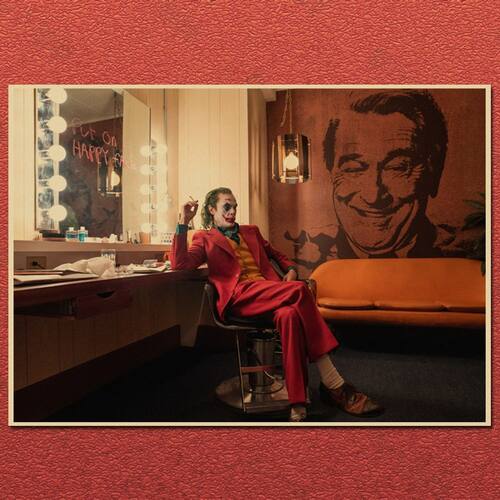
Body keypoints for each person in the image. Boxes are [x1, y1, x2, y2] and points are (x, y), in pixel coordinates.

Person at [171, 187, 382, 422]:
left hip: (267, 293)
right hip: (239, 298)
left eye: (235, 207)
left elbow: (278, 255)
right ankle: (334, 383)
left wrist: (290, 270)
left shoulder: (251, 231)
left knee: (289, 315)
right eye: (226, 207)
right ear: (212, 210)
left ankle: (297, 402)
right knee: (300, 290)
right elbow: (180, 264)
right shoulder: (204, 238)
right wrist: (183, 221)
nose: (232, 212)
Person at [323, 90, 448, 258]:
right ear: (331, 173)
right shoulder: (305, 254)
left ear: (433, 173)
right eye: (353, 169)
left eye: (397, 167)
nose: (373, 196)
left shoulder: (462, 258)